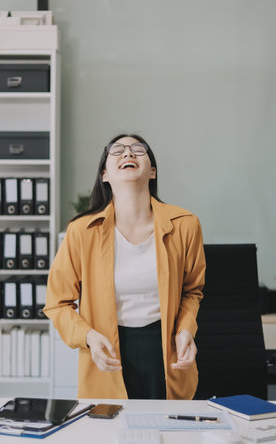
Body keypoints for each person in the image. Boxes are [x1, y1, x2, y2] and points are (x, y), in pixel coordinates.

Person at [44, 133, 206, 400]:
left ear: (152, 171)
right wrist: (89, 338)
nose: (128, 153)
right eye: (117, 150)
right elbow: (57, 303)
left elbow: (192, 291)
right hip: (106, 352)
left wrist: (186, 329)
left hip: (166, 351)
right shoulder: (81, 231)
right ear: (105, 174)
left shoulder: (185, 225)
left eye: (138, 149)